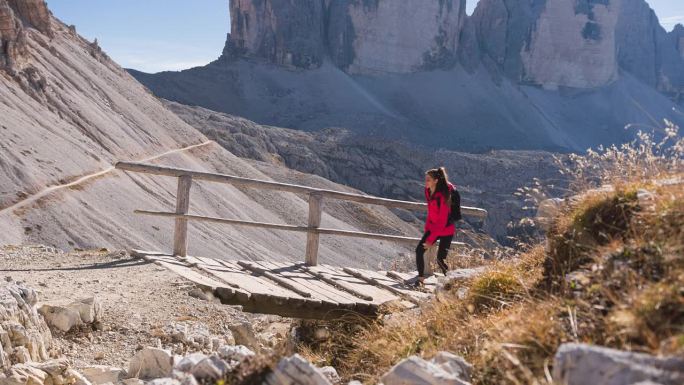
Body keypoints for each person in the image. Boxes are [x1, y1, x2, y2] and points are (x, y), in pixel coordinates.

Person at [415, 167, 455, 286]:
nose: (425, 182)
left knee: (440, 260)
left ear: (436, 181)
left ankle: (453, 281)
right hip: (433, 228)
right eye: (426, 179)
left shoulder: (443, 196)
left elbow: (442, 221)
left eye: (428, 180)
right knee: (419, 250)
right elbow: (431, 211)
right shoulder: (428, 191)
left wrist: (430, 240)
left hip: (446, 230)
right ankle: (420, 279)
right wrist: (428, 230)